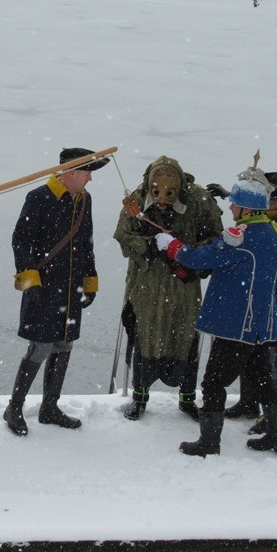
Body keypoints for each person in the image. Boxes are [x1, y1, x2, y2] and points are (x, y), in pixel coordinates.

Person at [153, 165, 277, 456]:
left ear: (247, 208)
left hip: (236, 326)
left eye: (235, 202)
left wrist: (172, 246)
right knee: (263, 378)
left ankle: (209, 443)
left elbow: (200, 258)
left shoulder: (241, 236)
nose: (230, 206)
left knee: (213, 382)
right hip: (262, 324)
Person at [3, 147, 107, 437]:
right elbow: (21, 240)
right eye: (87, 173)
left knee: (64, 345)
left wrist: (90, 280)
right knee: (40, 347)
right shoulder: (38, 197)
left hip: (71, 288)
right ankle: (14, 407)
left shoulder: (84, 199)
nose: (90, 179)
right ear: (71, 173)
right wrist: (31, 280)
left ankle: (49, 407)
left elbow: (86, 242)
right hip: (45, 287)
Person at [113, 156, 222, 423]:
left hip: (184, 286)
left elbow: (215, 237)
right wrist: (149, 246)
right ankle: (140, 397)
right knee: (144, 338)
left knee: (186, 337)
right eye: (157, 193)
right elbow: (123, 235)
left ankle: (187, 398)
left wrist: (190, 256)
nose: (162, 201)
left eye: (170, 194)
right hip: (146, 285)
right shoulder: (137, 200)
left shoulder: (199, 200)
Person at [208, 172, 277, 429]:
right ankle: (249, 403)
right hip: (263, 298)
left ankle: (271, 417)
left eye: (266, 197)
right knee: (251, 350)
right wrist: (230, 195)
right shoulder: (274, 219)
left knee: (271, 356)